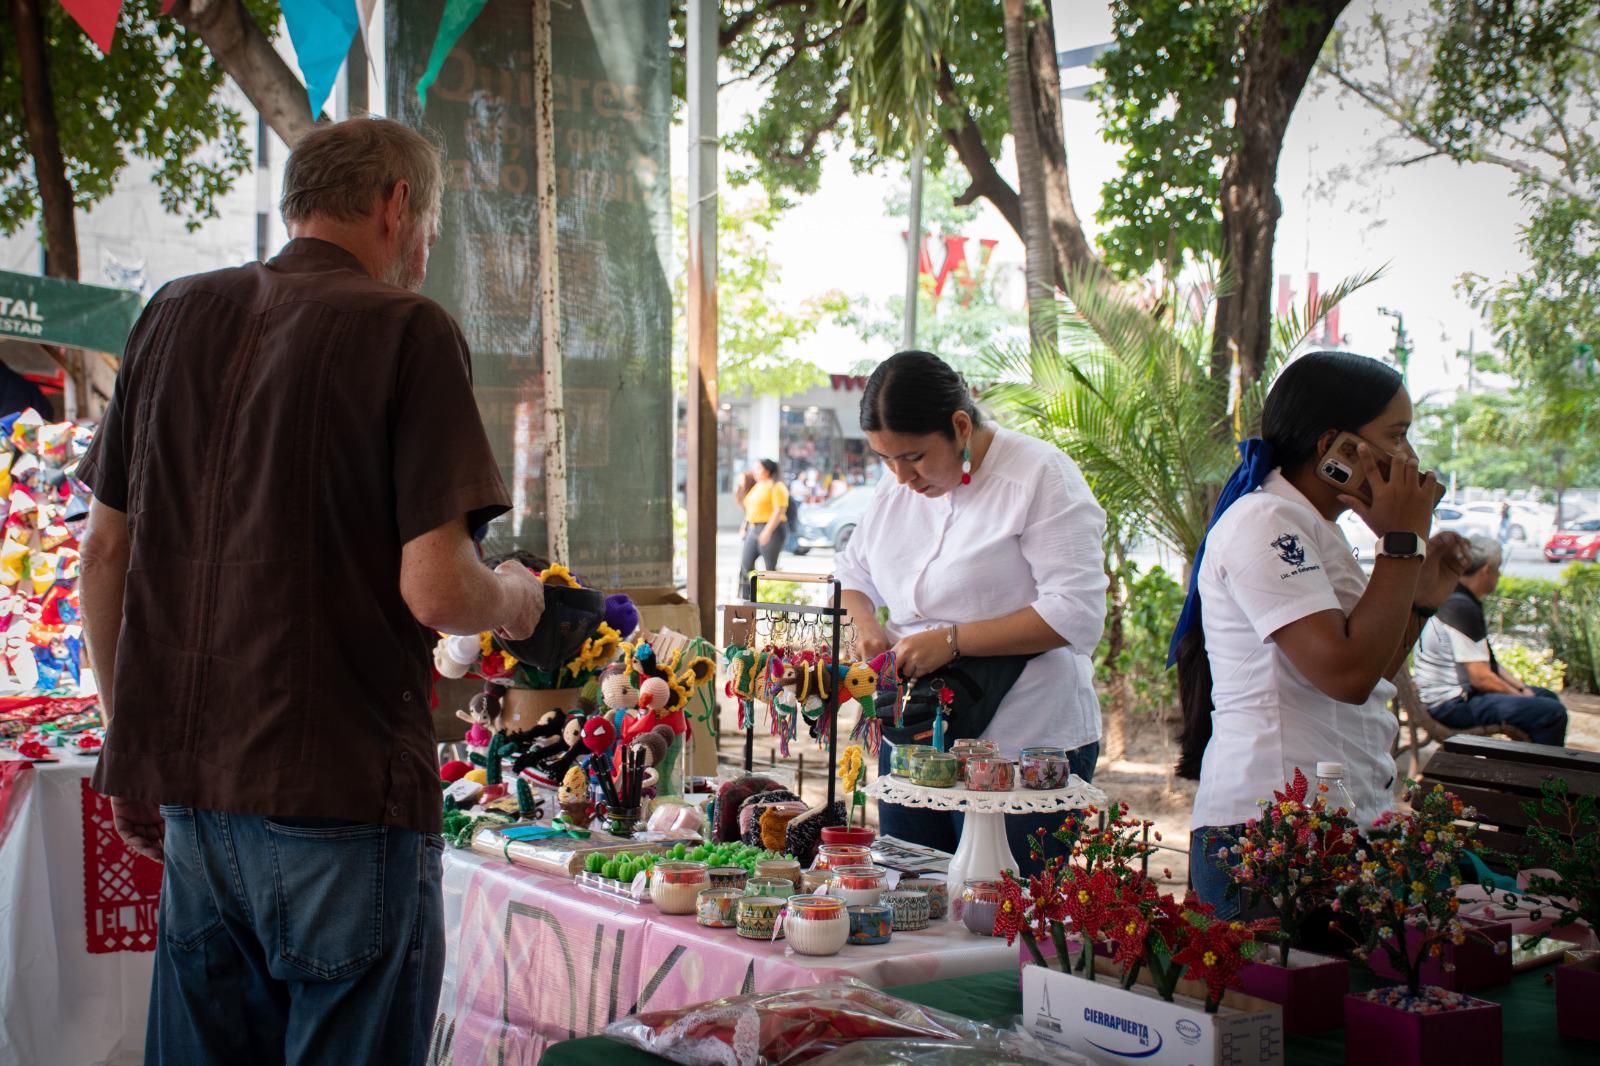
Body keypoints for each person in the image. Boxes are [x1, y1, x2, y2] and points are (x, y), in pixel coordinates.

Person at [76, 117, 546, 1065]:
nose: (423, 249)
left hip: (196, 802)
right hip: (341, 795)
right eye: (431, 224)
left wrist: (131, 733)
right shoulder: (406, 327)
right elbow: (438, 591)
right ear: (396, 206)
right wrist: (513, 596)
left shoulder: (170, 313)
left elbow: (101, 553)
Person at [1174, 351, 1468, 918]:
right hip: (1268, 833)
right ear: (1337, 448)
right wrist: (1402, 543)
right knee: (1280, 1007)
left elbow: (1372, 665)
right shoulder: (1267, 522)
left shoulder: (1310, 528)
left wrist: (1423, 596)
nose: (1410, 459)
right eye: (1398, 436)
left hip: (1322, 820)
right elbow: (1346, 674)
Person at [835, 351, 1107, 874]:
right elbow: (851, 573)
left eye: (913, 456)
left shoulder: (1040, 476)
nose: (900, 476)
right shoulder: (896, 488)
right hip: (916, 732)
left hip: (1025, 740)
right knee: (912, 900)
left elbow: (1076, 612)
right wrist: (865, 626)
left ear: (960, 426)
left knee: (1002, 912)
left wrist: (953, 640)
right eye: (884, 459)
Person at [1413, 535, 1568, 745]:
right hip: (1452, 705)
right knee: (1552, 713)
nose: (1499, 575)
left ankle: (1528, 764)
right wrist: (1521, 696)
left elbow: (1489, 665)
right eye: (1497, 569)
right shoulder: (1461, 606)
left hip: (1457, 698)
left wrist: (1522, 689)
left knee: (1547, 699)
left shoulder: (1460, 598)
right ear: (1486, 570)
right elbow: (1481, 677)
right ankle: (1541, 774)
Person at [738, 459, 789, 597]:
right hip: (754, 528)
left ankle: (772, 602)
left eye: (758, 469)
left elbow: (780, 510)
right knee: (746, 566)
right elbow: (751, 509)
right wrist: (745, 526)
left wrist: (768, 531)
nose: (755, 472)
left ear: (767, 471)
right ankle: (747, 601)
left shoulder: (777, 486)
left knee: (770, 567)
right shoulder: (758, 486)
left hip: (772, 529)